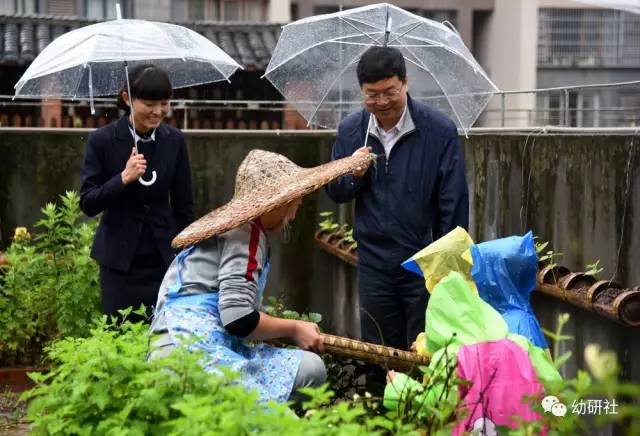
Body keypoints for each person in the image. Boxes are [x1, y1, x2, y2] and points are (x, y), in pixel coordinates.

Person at [150, 149, 372, 403]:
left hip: (170, 343)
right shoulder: (247, 235)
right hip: (189, 349)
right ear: (278, 202)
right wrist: (294, 328)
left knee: (310, 367)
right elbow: (238, 319)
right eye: (296, 199)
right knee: (277, 409)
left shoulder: (237, 231)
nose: (297, 208)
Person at [326, 46, 469, 351]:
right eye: (372, 95)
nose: (381, 102)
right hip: (373, 262)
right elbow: (335, 192)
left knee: (427, 348)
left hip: (423, 262)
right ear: (361, 91)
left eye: (390, 92)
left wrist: (447, 267)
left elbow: (453, 202)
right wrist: (354, 174)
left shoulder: (439, 131)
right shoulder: (351, 131)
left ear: (405, 82)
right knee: (379, 350)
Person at [79, 64, 194, 320]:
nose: (158, 111)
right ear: (127, 98)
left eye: (164, 103)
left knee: (163, 332)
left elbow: (184, 205)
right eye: (149, 103)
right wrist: (123, 178)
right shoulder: (102, 140)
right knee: (119, 332)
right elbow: (88, 203)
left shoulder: (174, 140)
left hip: (163, 258)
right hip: (119, 262)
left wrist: (184, 254)